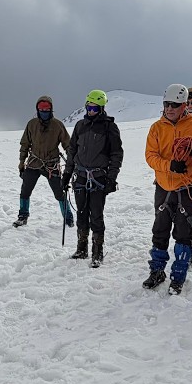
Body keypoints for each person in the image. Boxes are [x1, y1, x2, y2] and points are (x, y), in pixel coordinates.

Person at [144, 83, 192, 294]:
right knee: (160, 229)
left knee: (184, 231)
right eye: (166, 104)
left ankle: (178, 275)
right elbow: (150, 156)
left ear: (184, 106)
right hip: (164, 186)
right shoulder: (157, 128)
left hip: (188, 185)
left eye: (174, 105)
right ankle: (157, 270)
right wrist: (169, 165)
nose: (169, 108)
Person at [63, 90, 124, 268]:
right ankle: (82, 248)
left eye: (94, 108)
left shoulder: (109, 127)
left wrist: (111, 178)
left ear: (102, 108)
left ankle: (97, 252)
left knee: (96, 215)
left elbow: (116, 154)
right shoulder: (80, 126)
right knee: (81, 213)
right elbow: (72, 151)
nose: (90, 111)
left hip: (98, 178)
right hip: (80, 177)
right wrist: (67, 174)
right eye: (89, 107)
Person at [15, 95, 72, 228]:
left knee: (59, 193)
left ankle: (68, 218)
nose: (44, 111)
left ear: (51, 109)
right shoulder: (32, 124)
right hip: (33, 163)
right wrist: (21, 162)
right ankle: (23, 216)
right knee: (25, 191)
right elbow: (25, 144)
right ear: (37, 109)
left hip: (52, 165)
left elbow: (68, 145)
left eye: (46, 108)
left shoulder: (58, 125)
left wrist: (72, 162)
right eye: (41, 108)